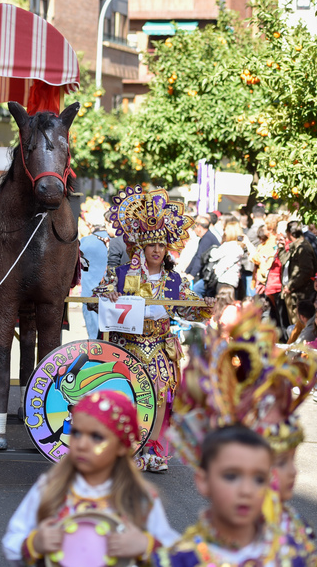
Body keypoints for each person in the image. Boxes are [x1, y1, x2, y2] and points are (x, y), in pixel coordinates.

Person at [157, 309, 317, 566]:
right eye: (232, 475)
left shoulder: (292, 544)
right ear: (204, 479)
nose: (292, 474)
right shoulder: (184, 558)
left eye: (260, 475)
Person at [91, 187, 214, 472]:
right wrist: (106, 295)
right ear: (141, 248)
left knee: (160, 398)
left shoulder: (175, 281)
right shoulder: (121, 275)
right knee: (130, 397)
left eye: (161, 246)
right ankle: (129, 448)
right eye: (151, 246)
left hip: (160, 346)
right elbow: (99, 297)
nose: (157, 250)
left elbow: (188, 308)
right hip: (127, 348)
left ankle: (153, 449)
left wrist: (206, 305)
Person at [2, 390, 179, 565]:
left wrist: (145, 545)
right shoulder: (50, 488)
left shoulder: (140, 498)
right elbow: (13, 539)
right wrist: (34, 543)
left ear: (121, 446)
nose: (82, 444)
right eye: (76, 433)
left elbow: (175, 554)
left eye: (96, 437)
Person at [79, 206, 110, 341]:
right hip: (111, 294)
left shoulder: (85, 242)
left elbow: (80, 266)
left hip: (89, 295)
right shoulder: (115, 240)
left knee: (94, 337)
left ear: (90, 224)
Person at [200, 218, 247, 298]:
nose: (224, 232)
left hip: (224, 279)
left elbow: (213, 256)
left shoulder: (229, 245)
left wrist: (212, 250)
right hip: (233, 280)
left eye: (226, 230)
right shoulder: (239, 246)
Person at [282, 221, 317, 325]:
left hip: (300, 293)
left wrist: (291, 285)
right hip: (294, 293)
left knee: (298, 325)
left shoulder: (303, 248)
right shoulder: (297, 246)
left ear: (289, 233)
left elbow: (306, 271)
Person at [185, 215, 218, 294]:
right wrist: (187, 272)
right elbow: (196, 256)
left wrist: (192, 275)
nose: (194, 230)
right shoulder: (205, 237)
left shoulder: (207, 238)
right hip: (207, 273)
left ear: (199, 227)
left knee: (196, 291)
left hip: (212, 275)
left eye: (194, 227)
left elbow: (199, 258)